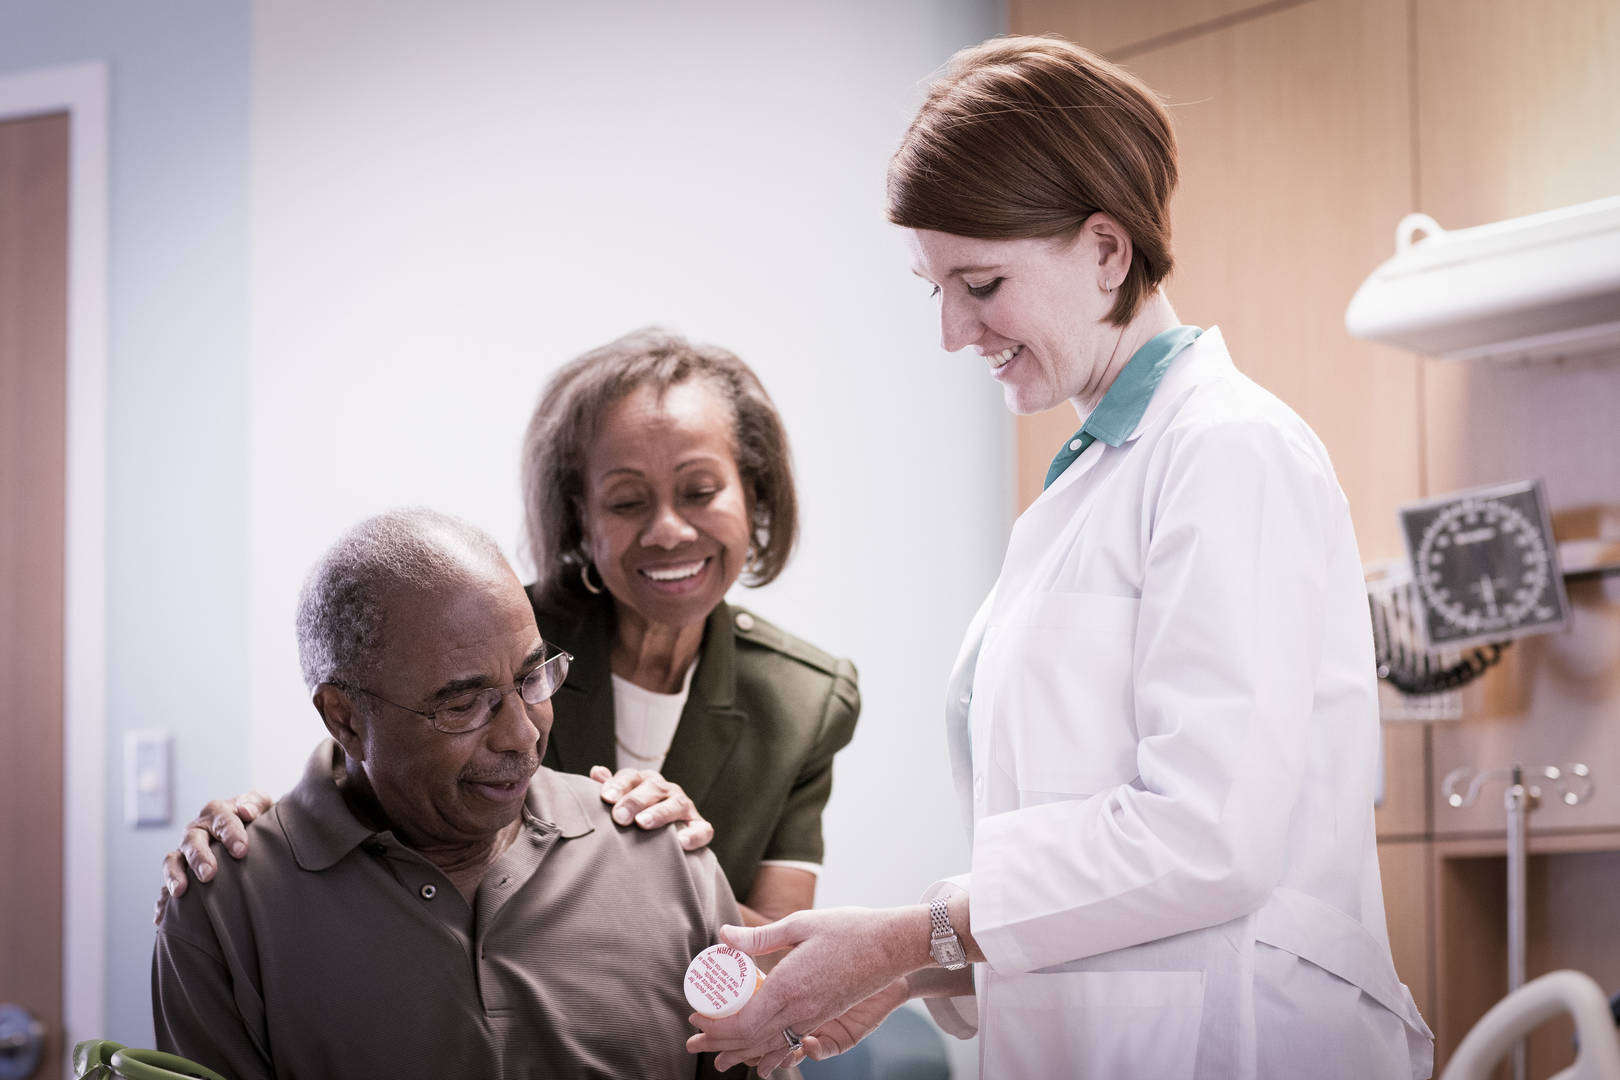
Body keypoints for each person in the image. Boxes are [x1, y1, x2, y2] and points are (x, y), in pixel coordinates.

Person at [687, 35, 1435, 1079]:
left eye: (981, 282)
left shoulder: (1227, 450)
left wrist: (912, 939)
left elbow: (1204, 837)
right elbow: (1093, 893)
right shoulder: (1097, 480)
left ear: (1106, 251)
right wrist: (902, 971)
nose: (953, 331)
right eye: (933, 287)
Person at [156, 329, 859, 927]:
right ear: (578, 517)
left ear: (755, 492)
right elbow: (359, 802)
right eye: (625, 501)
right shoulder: (493, 644)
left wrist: (657, 874)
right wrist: (247, 842)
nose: (669, 530)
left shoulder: (804, 698)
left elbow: (781, 952)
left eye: (700, 492)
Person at [153, 509, 744, 1079]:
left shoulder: (666, 856)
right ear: (345, 719)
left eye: (533, 677)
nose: (523, 734)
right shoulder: (223, 911)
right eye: (463, 704)